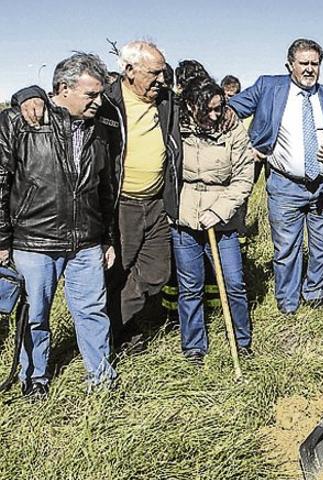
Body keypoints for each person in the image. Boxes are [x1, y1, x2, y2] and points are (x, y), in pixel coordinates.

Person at [12, 41, 181, 351]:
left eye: (162, 73)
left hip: (157, 201)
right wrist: (26, 94)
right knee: (117, 271)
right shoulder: (108, 101)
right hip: (121, 202)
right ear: (129, 70)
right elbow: (56, 103)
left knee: (157, 271)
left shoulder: (167, 100)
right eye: (154, 73)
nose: (161, 80)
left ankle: (109, 328)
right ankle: (106, 338)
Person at [0, 53, 118, 398]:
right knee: (35, 315)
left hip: (86, 241)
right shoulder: (21, 121)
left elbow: (105, 186)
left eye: (100, 94)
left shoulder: (101, 126)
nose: (98, 102)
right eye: (90, 94)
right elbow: (1, 181)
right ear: (63, 88)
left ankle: (102, 379)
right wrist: (2, 239)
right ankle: (34, 378)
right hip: (34, 241)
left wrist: (107, 237)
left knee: (94, 312)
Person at [229, 39, 323, 314]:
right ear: (289, 65)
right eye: (303, 63)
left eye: (314, 64)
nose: (309, 69)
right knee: (286, 249)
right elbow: (230, 110)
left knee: (322, 247)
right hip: (285, 185)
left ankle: (315, 296)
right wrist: (243, 144)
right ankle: (288, 304)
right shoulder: (269, 87)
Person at [171, 77, 255, 365]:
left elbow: (244, 178)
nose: (216, 115)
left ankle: (241, 341)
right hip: (185, 221)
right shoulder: (176, 129)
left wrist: (219, 211)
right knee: (190, 286)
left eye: (220, 108)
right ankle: (194, 346)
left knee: (233, 282)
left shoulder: (232, 131)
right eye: (209, 109)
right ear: (192, 106)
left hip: (222, 222)